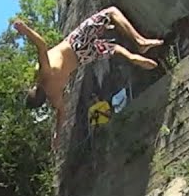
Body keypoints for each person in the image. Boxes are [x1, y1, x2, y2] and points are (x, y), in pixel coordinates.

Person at [13, 7, 163, 135]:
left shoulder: (54, 96)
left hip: (83, 57)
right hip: (76, 43)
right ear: (35, 86)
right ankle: (140, 42)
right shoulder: (43, 73)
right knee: (111, 12)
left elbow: (61, 112)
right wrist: (26, 30)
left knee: (113, 48)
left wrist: (57, 133)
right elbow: (42, 45)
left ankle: (132, 57)